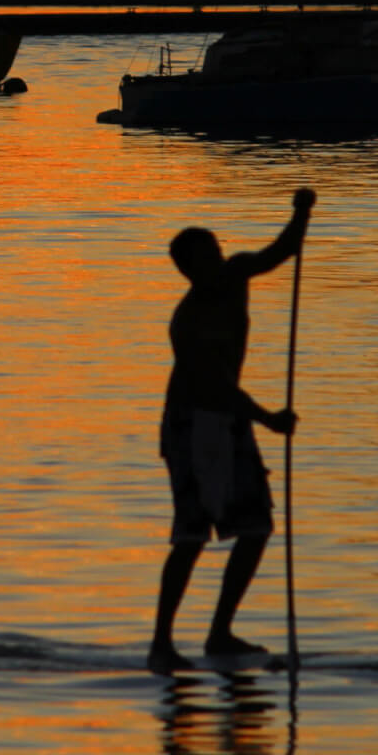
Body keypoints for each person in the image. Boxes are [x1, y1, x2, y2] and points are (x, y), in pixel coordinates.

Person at [147, 188, 314, 673]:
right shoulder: (190, 320)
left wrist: (301, 213)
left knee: (256, 526)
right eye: (205, 259)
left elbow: (281, 253)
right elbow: (214, 386)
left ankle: (220, 634)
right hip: (193, 426)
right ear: (188, 270)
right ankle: (161, 644)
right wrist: (269, 419)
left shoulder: (236, 274)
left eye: (217, 251)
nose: (218, 262)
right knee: (192, 535)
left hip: (229, 421)